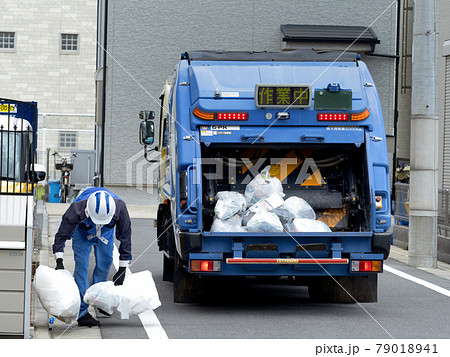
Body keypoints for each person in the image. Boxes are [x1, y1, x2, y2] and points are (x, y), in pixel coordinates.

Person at [53, 187, 132, 327]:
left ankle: (98, 298)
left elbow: (125, 238)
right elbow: (61, 235)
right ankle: (82, 313)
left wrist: (122, 269)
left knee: (105, 261)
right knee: (82, 267)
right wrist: (59, 260)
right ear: (88, 211)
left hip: (106, 232)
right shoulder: (77, 208)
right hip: (82, 231)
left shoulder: (120, 207)